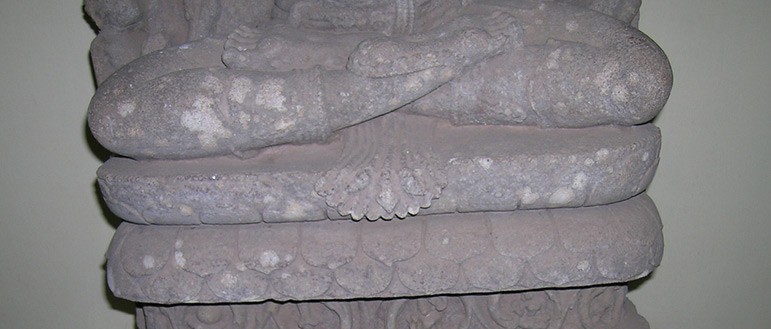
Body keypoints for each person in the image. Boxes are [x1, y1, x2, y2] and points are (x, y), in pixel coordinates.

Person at [88, 0, 671, 160]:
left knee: (638, 80)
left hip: (473, 26)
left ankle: (395, 68)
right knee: (118, 114)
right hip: (279, 40)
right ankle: (416, 70)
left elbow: (627, 57)